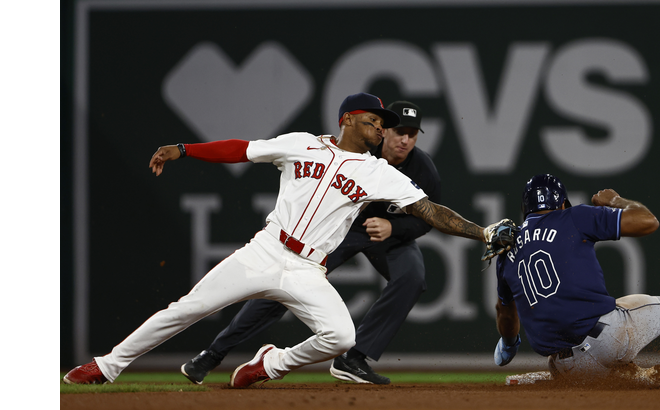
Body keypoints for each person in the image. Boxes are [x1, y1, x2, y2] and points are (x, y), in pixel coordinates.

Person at [63, 92, 506, 388]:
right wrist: (185, 149)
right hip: (266, 250)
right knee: (188, 308)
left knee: (340, 337)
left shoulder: (379, 171)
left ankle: (268, 363)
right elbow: (242, 149)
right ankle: (106, 366)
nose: (380, 131)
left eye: (382, 125)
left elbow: (430, 210)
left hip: (308, 269)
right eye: (373, 122)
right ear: (348, 120)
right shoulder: (302, 144)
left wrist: (481, 231)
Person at [179, 101, 438, 385]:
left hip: (388, 237)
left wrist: (394, 226)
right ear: (383, 129)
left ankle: (353, 358)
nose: (405, 139)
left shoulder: (423, 168)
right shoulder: (361, 145)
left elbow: (429, 218)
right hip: (337, 231)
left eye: (412, 134)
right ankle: (214, 354)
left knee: (412, 278)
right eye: (399, 131)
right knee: (280, 282)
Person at [493, 174, 660, 386]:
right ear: (562, 205)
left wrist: (509, 345)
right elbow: (647, 222)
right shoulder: (574, 217)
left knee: (614, 318)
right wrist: (616, 201)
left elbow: (507, 317)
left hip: (566, 367)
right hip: (607, 341)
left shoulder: (506, 253)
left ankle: (633, 377)